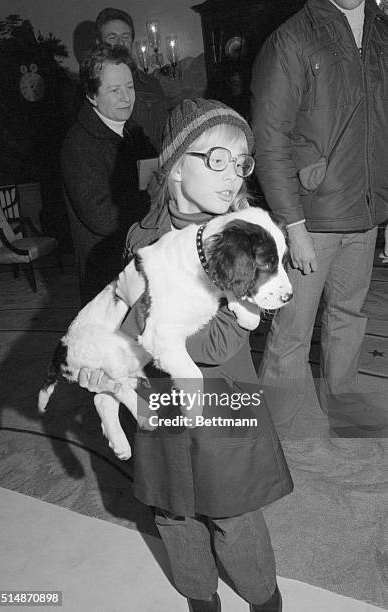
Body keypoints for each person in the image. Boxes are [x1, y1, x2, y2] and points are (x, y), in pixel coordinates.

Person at [79, 98, 293, 612]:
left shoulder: (245, 235)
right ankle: (201, 598)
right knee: (174, 510)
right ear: (174, 168)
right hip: (161, 402)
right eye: (216, 159)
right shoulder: (143, 239)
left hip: (223, 401)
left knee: (233, 510)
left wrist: (146, 329)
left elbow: (218, 342)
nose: (232, 175)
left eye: (241, 163)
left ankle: (264, 598)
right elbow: (120, 312)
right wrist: (102, 354)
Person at [250, 0, 388, 436]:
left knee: (349, 316)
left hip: (365, 212)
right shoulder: (292, 37)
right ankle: (279, 432)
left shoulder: (383, 31)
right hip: (311, 219)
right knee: (292, 329)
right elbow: (270, 139)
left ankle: (344, 410)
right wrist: (293, 225)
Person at [61, 43, 154, 305]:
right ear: (92, 95)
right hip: (106, 275)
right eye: (115, 90)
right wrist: (151, 202)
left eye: (130, 87)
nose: (127, 97)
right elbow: (101, 217)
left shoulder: (134, 131)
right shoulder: (79, 143)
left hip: (138, 262)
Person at [96, 7, 167, 154]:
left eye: (125, 37)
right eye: (112, 37)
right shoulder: (92, 88)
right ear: (99, 43)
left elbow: (165, 133)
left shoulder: (151, 85)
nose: (120, 43)